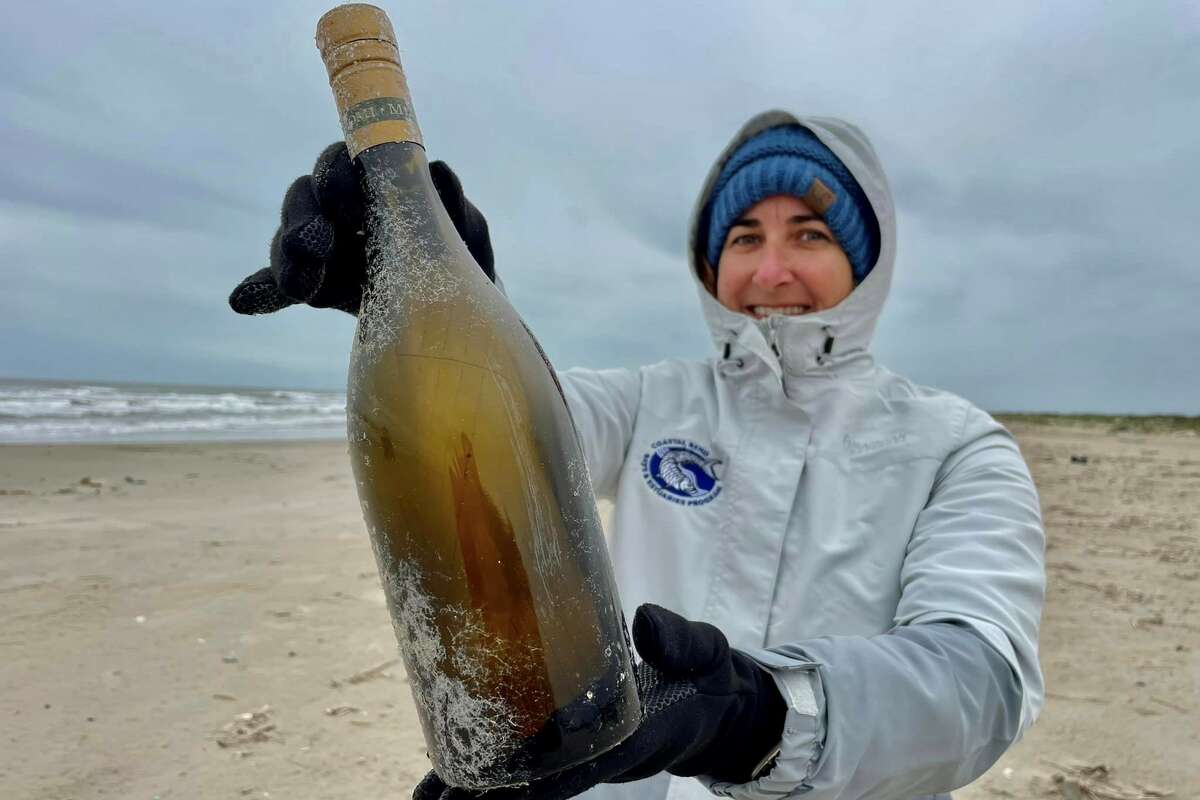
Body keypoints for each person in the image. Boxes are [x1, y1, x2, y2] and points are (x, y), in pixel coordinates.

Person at [230, 110, 1045, 800]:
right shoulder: (653, 400)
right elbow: (517, 435)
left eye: (810, 234)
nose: (771, 270)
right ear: (710, 261)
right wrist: (441, 302)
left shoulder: (956, 445)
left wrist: (758, 717)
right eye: (745, 236)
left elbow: (981, 682)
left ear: (865, 260)